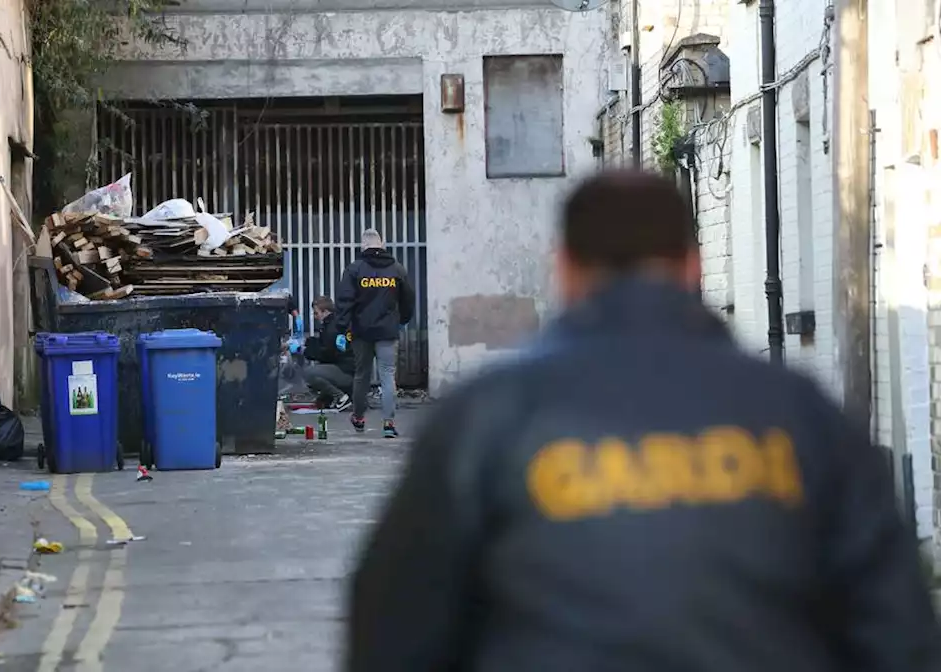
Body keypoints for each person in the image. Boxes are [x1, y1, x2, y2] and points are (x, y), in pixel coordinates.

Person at [344, 170, 941, 671]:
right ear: (692, 266)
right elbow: (896, 632)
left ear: (567, 270)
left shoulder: (484, 419)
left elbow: (393, 628)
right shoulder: (802, 415)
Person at [334, 229, 414, 438]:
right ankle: (388, 423)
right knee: (387, 375)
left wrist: (341, 328)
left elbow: (344, 301)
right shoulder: (397, 269)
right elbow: (407, 299)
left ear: (363, 246)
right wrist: (402, 319)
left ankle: (359, 417)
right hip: (387, 330)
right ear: (383, 244)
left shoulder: (354, 269)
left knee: (362, 375)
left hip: (361, 331)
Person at [300, 296, 355, 411]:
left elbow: (326, 353)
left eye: (316, 313)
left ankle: (341, 397)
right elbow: (325, 345)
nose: (315, 317)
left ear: (325, 311)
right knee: (318, 376)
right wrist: (307, 342)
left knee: (309, 373)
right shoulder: (334, 323)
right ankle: (332, 397)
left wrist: (304, 350)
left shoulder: (332, 327)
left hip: (346, 371)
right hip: (348, 369)